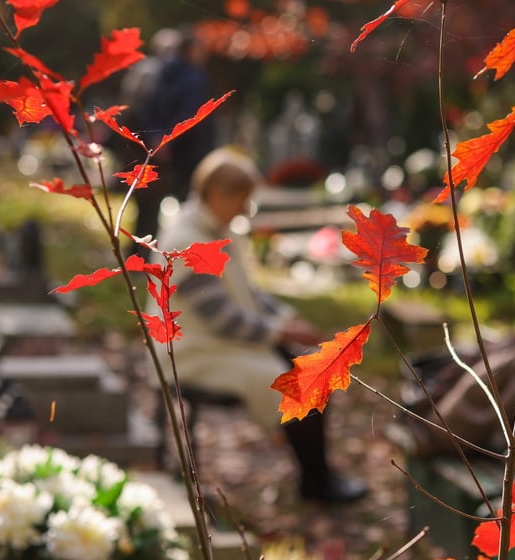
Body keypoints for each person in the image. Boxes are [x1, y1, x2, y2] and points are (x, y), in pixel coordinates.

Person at [149, 146, 368, 503]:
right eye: (242, 199)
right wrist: (280, 331)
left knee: (309, 369)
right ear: (219, 194)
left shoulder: (218, 228)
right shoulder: (185, 239)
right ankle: (318, 481)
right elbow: (220, 317)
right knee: (295, 385)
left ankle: (317, 474)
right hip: (194, 352)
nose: (245, 209)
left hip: (219, 343)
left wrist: (284, 318)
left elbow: (246, 293)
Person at [129, 26, 216, 255]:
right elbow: (192, 116)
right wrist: (169, 140)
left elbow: (147, 109)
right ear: (191, 50)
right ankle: (186, 253)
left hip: (157, 151)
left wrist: (156, 139)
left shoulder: (161, 74)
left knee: (149, 204)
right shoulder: (195, 78)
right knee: (189, 205)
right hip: (189, 152)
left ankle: (140, 254)